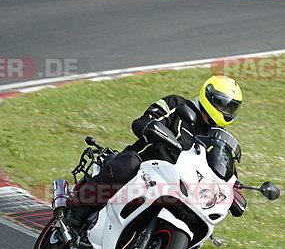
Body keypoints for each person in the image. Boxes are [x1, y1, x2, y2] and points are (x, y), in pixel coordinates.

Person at [65, 75, 243, 228]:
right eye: (223, 105)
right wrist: (153, 128)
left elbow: (221, 166)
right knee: (128, 164)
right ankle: (79, 207)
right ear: (209, 96)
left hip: (177, 182)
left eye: (231, 108)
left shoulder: (217, 138)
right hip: (145, 164)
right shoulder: (177, 104)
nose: (226, 111)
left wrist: (231, 187)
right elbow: (143, 121)